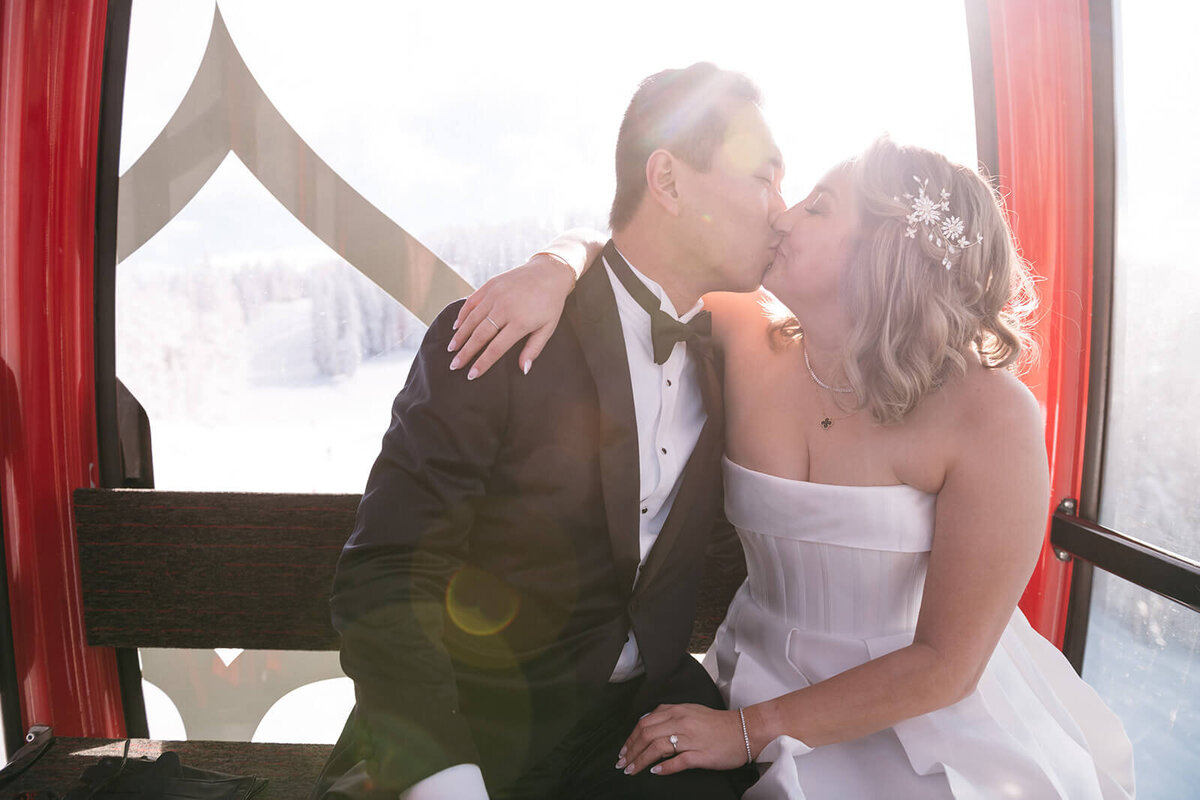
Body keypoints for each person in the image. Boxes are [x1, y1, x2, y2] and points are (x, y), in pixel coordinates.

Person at [447, 137, 1136, 798]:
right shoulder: (745, 333)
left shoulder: (993, 416)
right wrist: (553, 266)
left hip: (922, 709)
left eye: (819, 206)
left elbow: (947, 665)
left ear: (886, 250)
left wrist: (748, 732)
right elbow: (637, 255)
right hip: (755, 672)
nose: (783, 213)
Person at [310, 62, 784, 800]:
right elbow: (386, 575)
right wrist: (444, 780)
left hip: (644, 728)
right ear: (668, 181)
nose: (780, 210)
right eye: (763, 177)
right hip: (477, 729)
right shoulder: (500, 339)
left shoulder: (738, 352)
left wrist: (563, 254)